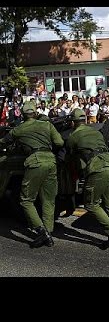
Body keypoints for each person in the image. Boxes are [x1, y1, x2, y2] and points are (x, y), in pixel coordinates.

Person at [0, 101, 64, 248]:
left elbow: (4, 142)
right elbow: (59, 142)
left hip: (35, 162)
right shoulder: (47, 125)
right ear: (35, 113)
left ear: (23, 115)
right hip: (51, 161)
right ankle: (48, 233)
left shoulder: (19, 129)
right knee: (48, 200)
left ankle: (41, 231)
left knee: (26, 200)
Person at [65, 108, 109, 250]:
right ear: (84, 120)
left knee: (91, 204)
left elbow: (70, 156)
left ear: (73, 123)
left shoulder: (73, 136)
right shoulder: (95, 131)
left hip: (98, 167)